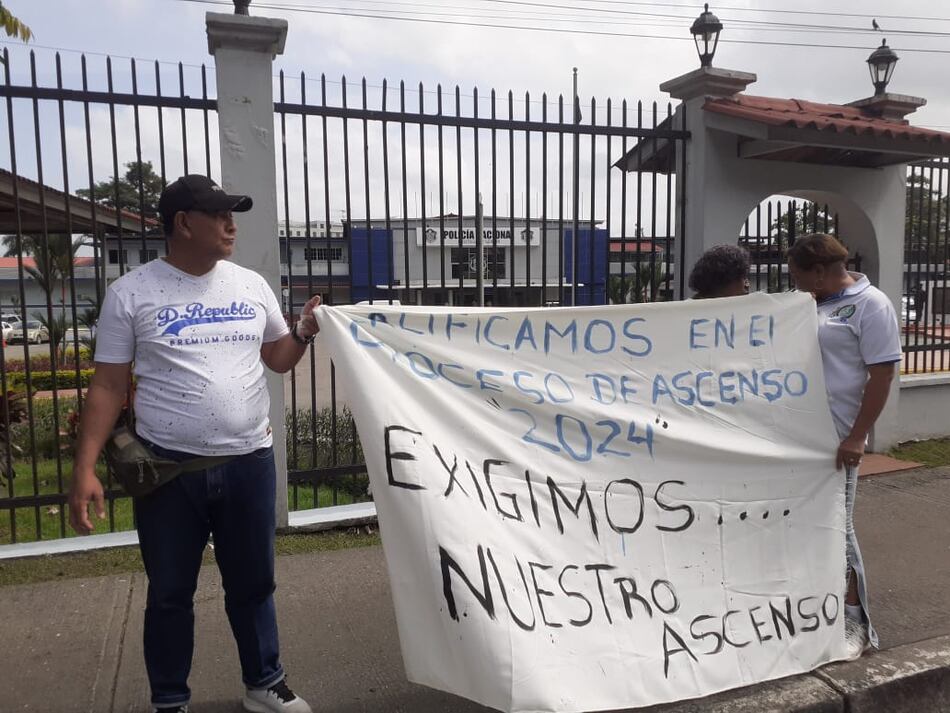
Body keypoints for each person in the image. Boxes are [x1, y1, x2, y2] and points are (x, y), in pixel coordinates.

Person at [67, 175, 320, 713]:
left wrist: (299, 332)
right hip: (168, 473)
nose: (232, 225)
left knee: (254, 585)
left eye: (233, 215)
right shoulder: (131, 293)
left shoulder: (249, 285)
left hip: (249, 461)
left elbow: (276, 356)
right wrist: (84, 469)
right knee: (169, 594)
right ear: (183, 223)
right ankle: (170, 700)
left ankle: (263, 683)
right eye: (219, 215)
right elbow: (109, 385)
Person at [786, 233, 902, 661]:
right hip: (802, 436)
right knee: (809, 524)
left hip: (838, 439)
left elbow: (883, 375)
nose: (794, 282)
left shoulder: (871, 305)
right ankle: (817, 610)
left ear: (820, 271)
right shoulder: (807, 303)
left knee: (839, 528)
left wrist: (857, 436)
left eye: (798, 274)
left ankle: (857, 622)